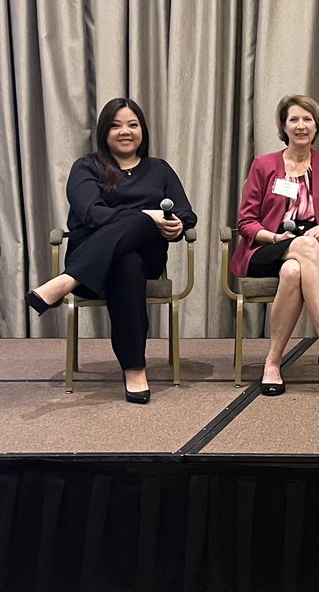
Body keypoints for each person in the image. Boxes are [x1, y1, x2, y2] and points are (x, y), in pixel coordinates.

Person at [27, 98, 196, 404]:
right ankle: (134, 369)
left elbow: (185, 213)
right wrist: (148, 215)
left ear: (142, 130)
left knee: (139, 236)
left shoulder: (159, 169)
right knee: (126, 263)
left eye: (132, 125)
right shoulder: (86, 167)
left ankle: (67, 281)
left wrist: (176, 225)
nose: (125, 131)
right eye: (116, 125)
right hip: (95, 253)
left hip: (148, 256)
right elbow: (91, 213)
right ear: (105, 131)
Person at [229, 94, 319, 396]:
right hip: (267, 246)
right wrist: (275, 238)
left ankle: (272, 364)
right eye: (294, 120)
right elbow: (246, 222)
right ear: (284, 126)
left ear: (317, 126)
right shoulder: (264, 165)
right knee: (301, 248)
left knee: (292, 271)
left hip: (308, 250)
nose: (301, 126)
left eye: (307, 119)